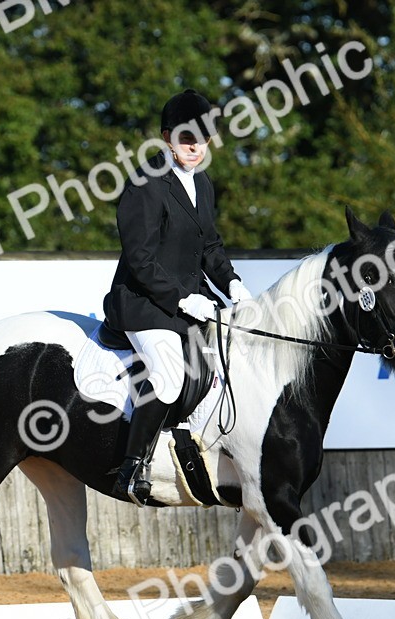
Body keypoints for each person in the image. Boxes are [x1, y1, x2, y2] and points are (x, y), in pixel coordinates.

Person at [102, 88, 253, 506]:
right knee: (168, 376)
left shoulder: (202, 184)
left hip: (191, 297)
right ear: (168, 137)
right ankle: (131, 469)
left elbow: (210, 247)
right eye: (187, 138)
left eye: (202, 139)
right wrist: (184, 300)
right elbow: (141, 258)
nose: (194, 146)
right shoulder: (145, 184)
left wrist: (232, 282)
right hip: (142, 302)